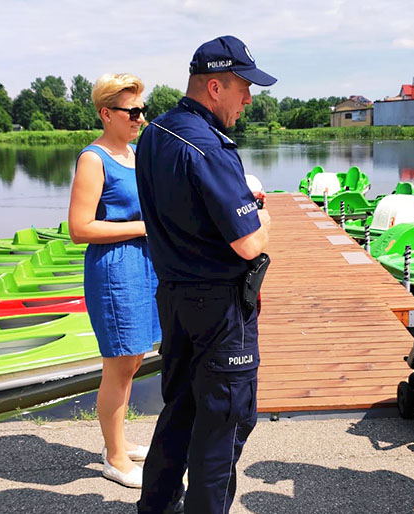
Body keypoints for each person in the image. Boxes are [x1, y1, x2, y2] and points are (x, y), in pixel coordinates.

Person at [134, 35, 274, 514]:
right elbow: (249, 242)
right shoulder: (209, 146)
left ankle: (155, 507)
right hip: (219, 309)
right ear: (214, 87)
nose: (249, 99)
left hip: (173, 299)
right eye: (243, 88)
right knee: (224, 424)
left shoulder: (154, 133)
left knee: (179, 411)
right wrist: (262, 216)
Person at [68, 73, 161, 489]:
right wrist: (143, 227)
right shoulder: (94, 158)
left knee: (136, 357)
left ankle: (117, 441)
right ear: (107, 114)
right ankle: (115, 457)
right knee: (119, 364)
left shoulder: (138, 155)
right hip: (115, 269)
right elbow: (79, 228)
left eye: (143, 109)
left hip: (145, 266)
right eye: (133, 111)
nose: (140, 117)